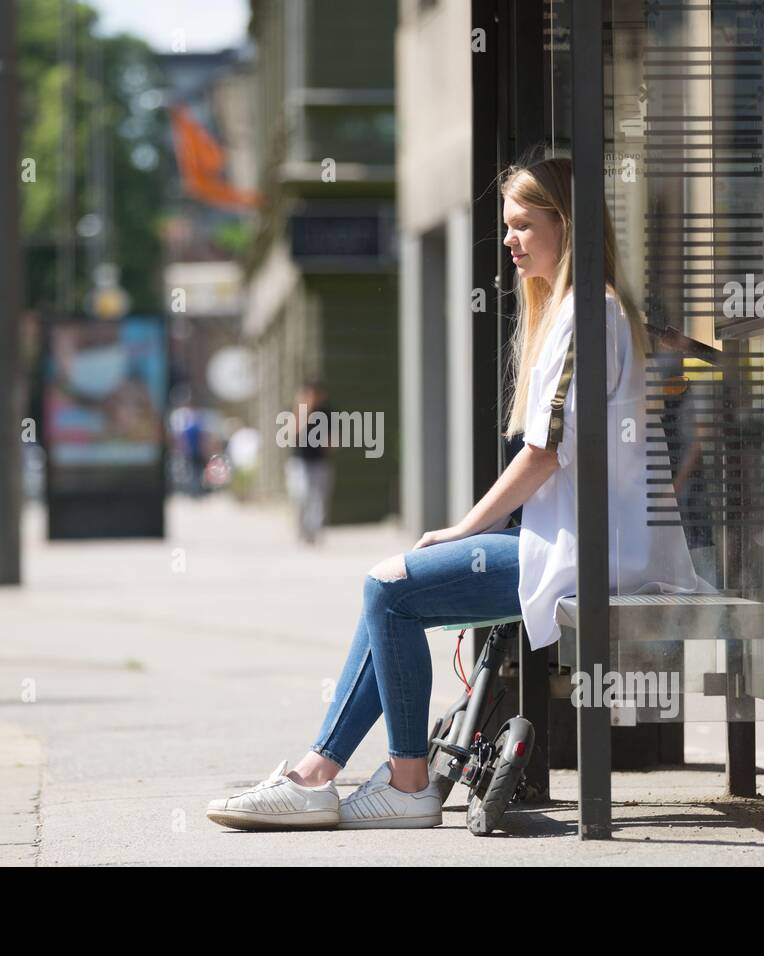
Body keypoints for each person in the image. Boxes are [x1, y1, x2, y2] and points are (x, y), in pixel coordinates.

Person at [207, 155, 708, 832]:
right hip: (579, 544)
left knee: (389, 589)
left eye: (525, 226)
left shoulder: (586, 312)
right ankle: (317, 774)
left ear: (569, 227)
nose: (510, 241)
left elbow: (543, 453)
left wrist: (463, 529)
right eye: (508, 226)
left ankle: (406, 782)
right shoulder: (588, 309)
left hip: (589, 557)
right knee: (388, 586)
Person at [283, 381, 335, 544]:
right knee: (300, 496)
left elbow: (332, 440)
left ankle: (315, 531)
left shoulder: (327, 413)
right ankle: (302, 530)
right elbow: (290, 433)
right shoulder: (296, 412)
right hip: (299, 462)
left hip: (320, 462)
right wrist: (303, 412)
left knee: (318, 498)